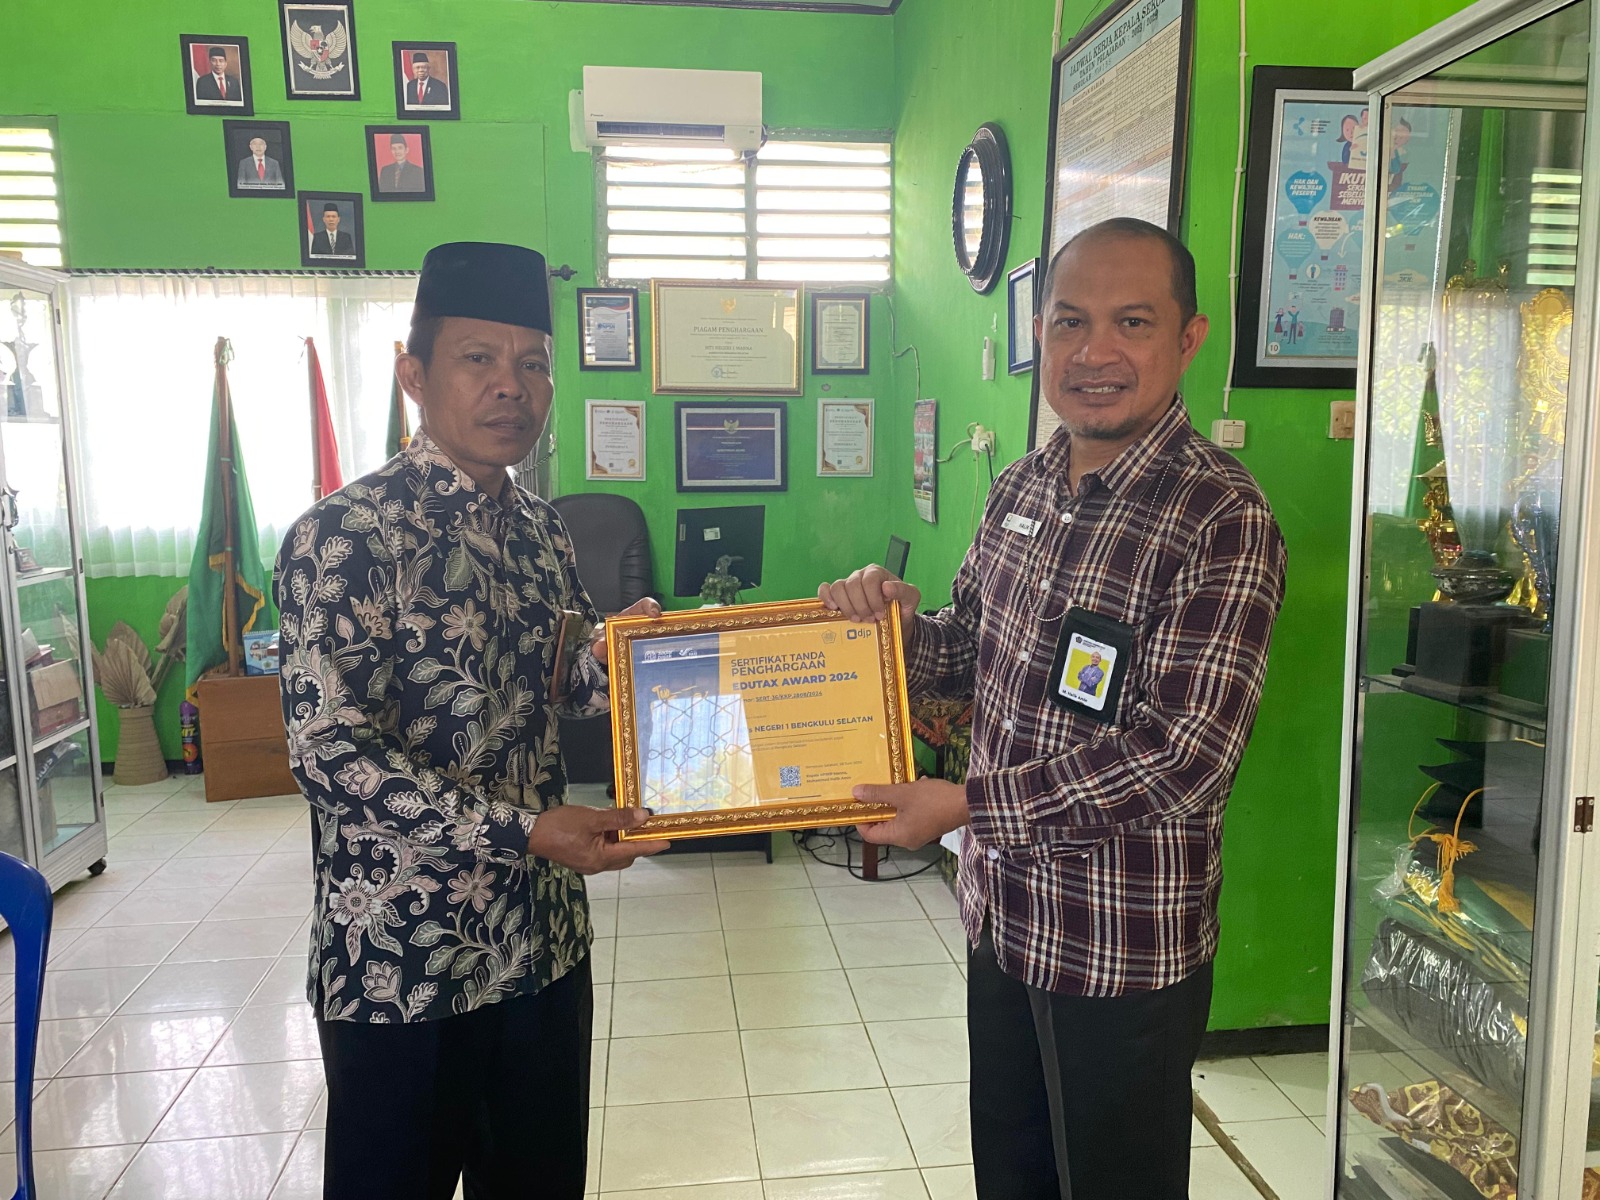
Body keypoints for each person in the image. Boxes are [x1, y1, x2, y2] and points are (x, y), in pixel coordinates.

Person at [820, 217, 1286, 1200]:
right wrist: (890, 631)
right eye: (1070, 322)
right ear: (1039, 333)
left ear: (1188, 339)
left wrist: (964, 806)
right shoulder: (1018, 488)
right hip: (1003, 918)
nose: (1094, 352)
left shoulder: (1219, 516)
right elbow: (968, 653)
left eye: (1131, 322)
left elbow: (1182, 756)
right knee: (1014, 1176)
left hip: (1119, 946)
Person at [277, 241, 669, 1200]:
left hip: (541, 949)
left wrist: (631, 658)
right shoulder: (344, 536)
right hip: (404, 963)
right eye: (478, 359)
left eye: (533, 363)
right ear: (414, 374)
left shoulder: (541, 529)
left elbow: (560, 687)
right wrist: (525, 831)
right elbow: (330, 754)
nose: (511, 387)